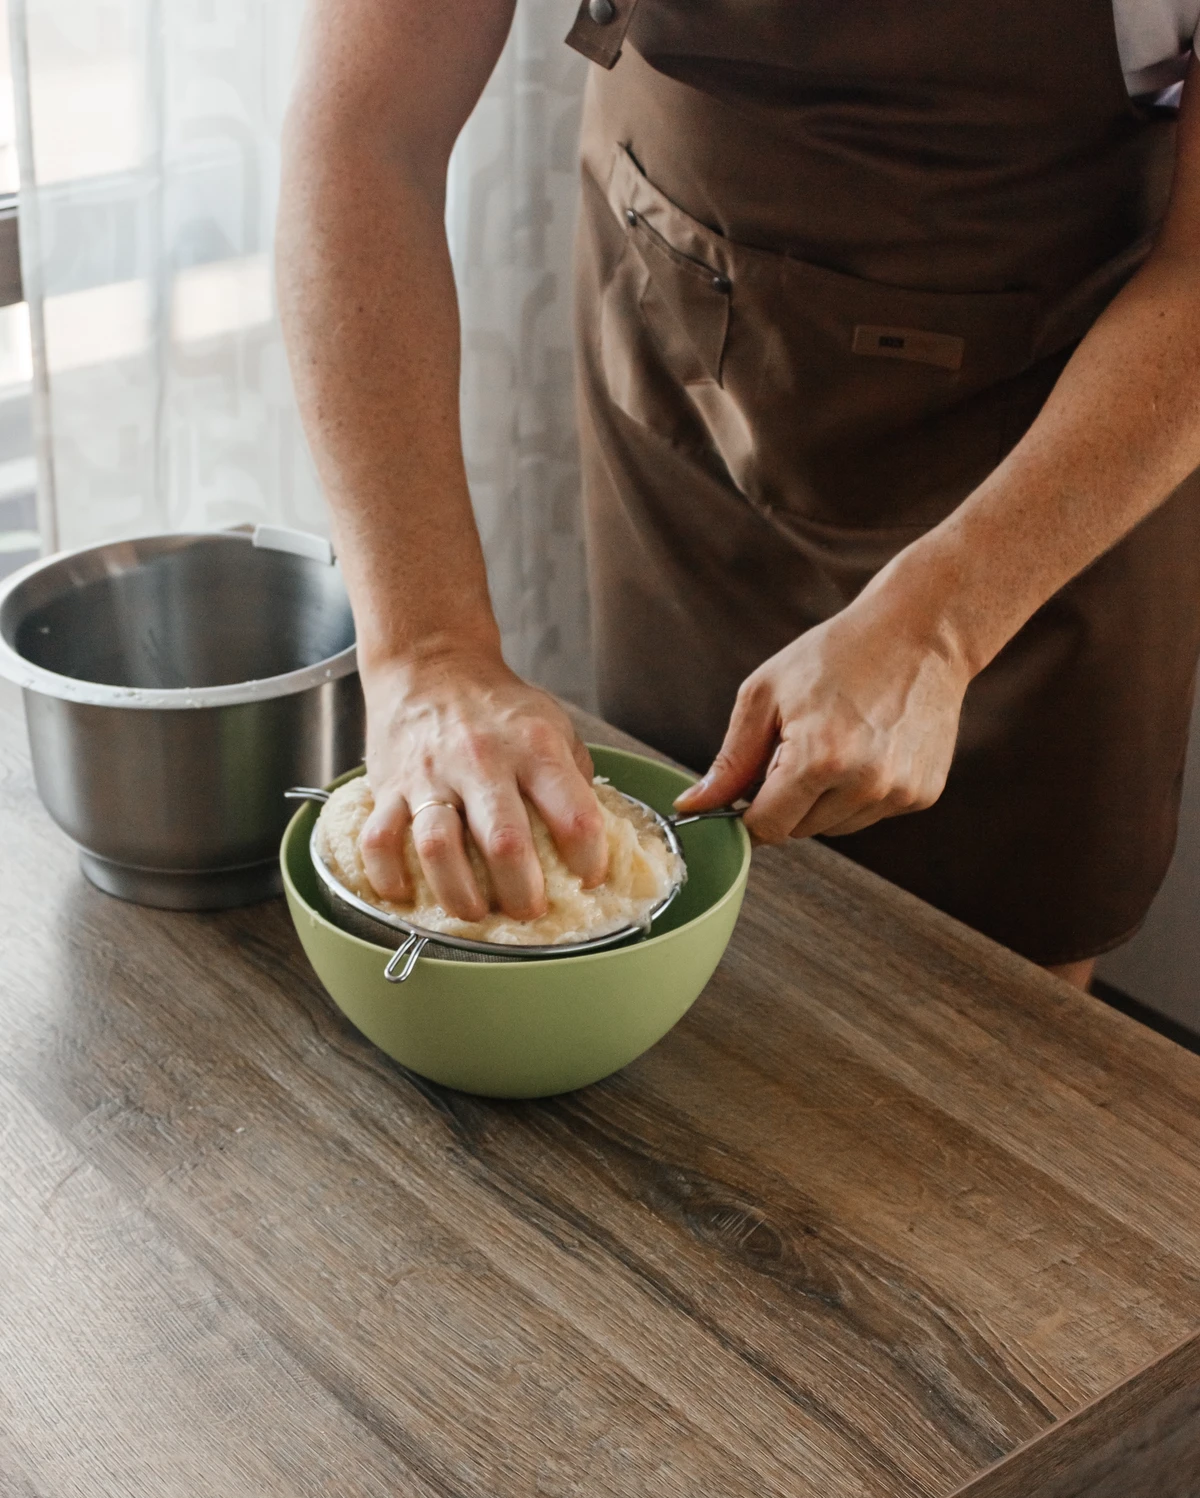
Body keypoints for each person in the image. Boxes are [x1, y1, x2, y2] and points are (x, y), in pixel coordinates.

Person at [276, 0, 1200, 992]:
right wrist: (425, 650)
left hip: (1056, 443)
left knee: (985, 1036)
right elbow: (369, 132)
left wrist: (947, 623)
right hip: (687, 360)